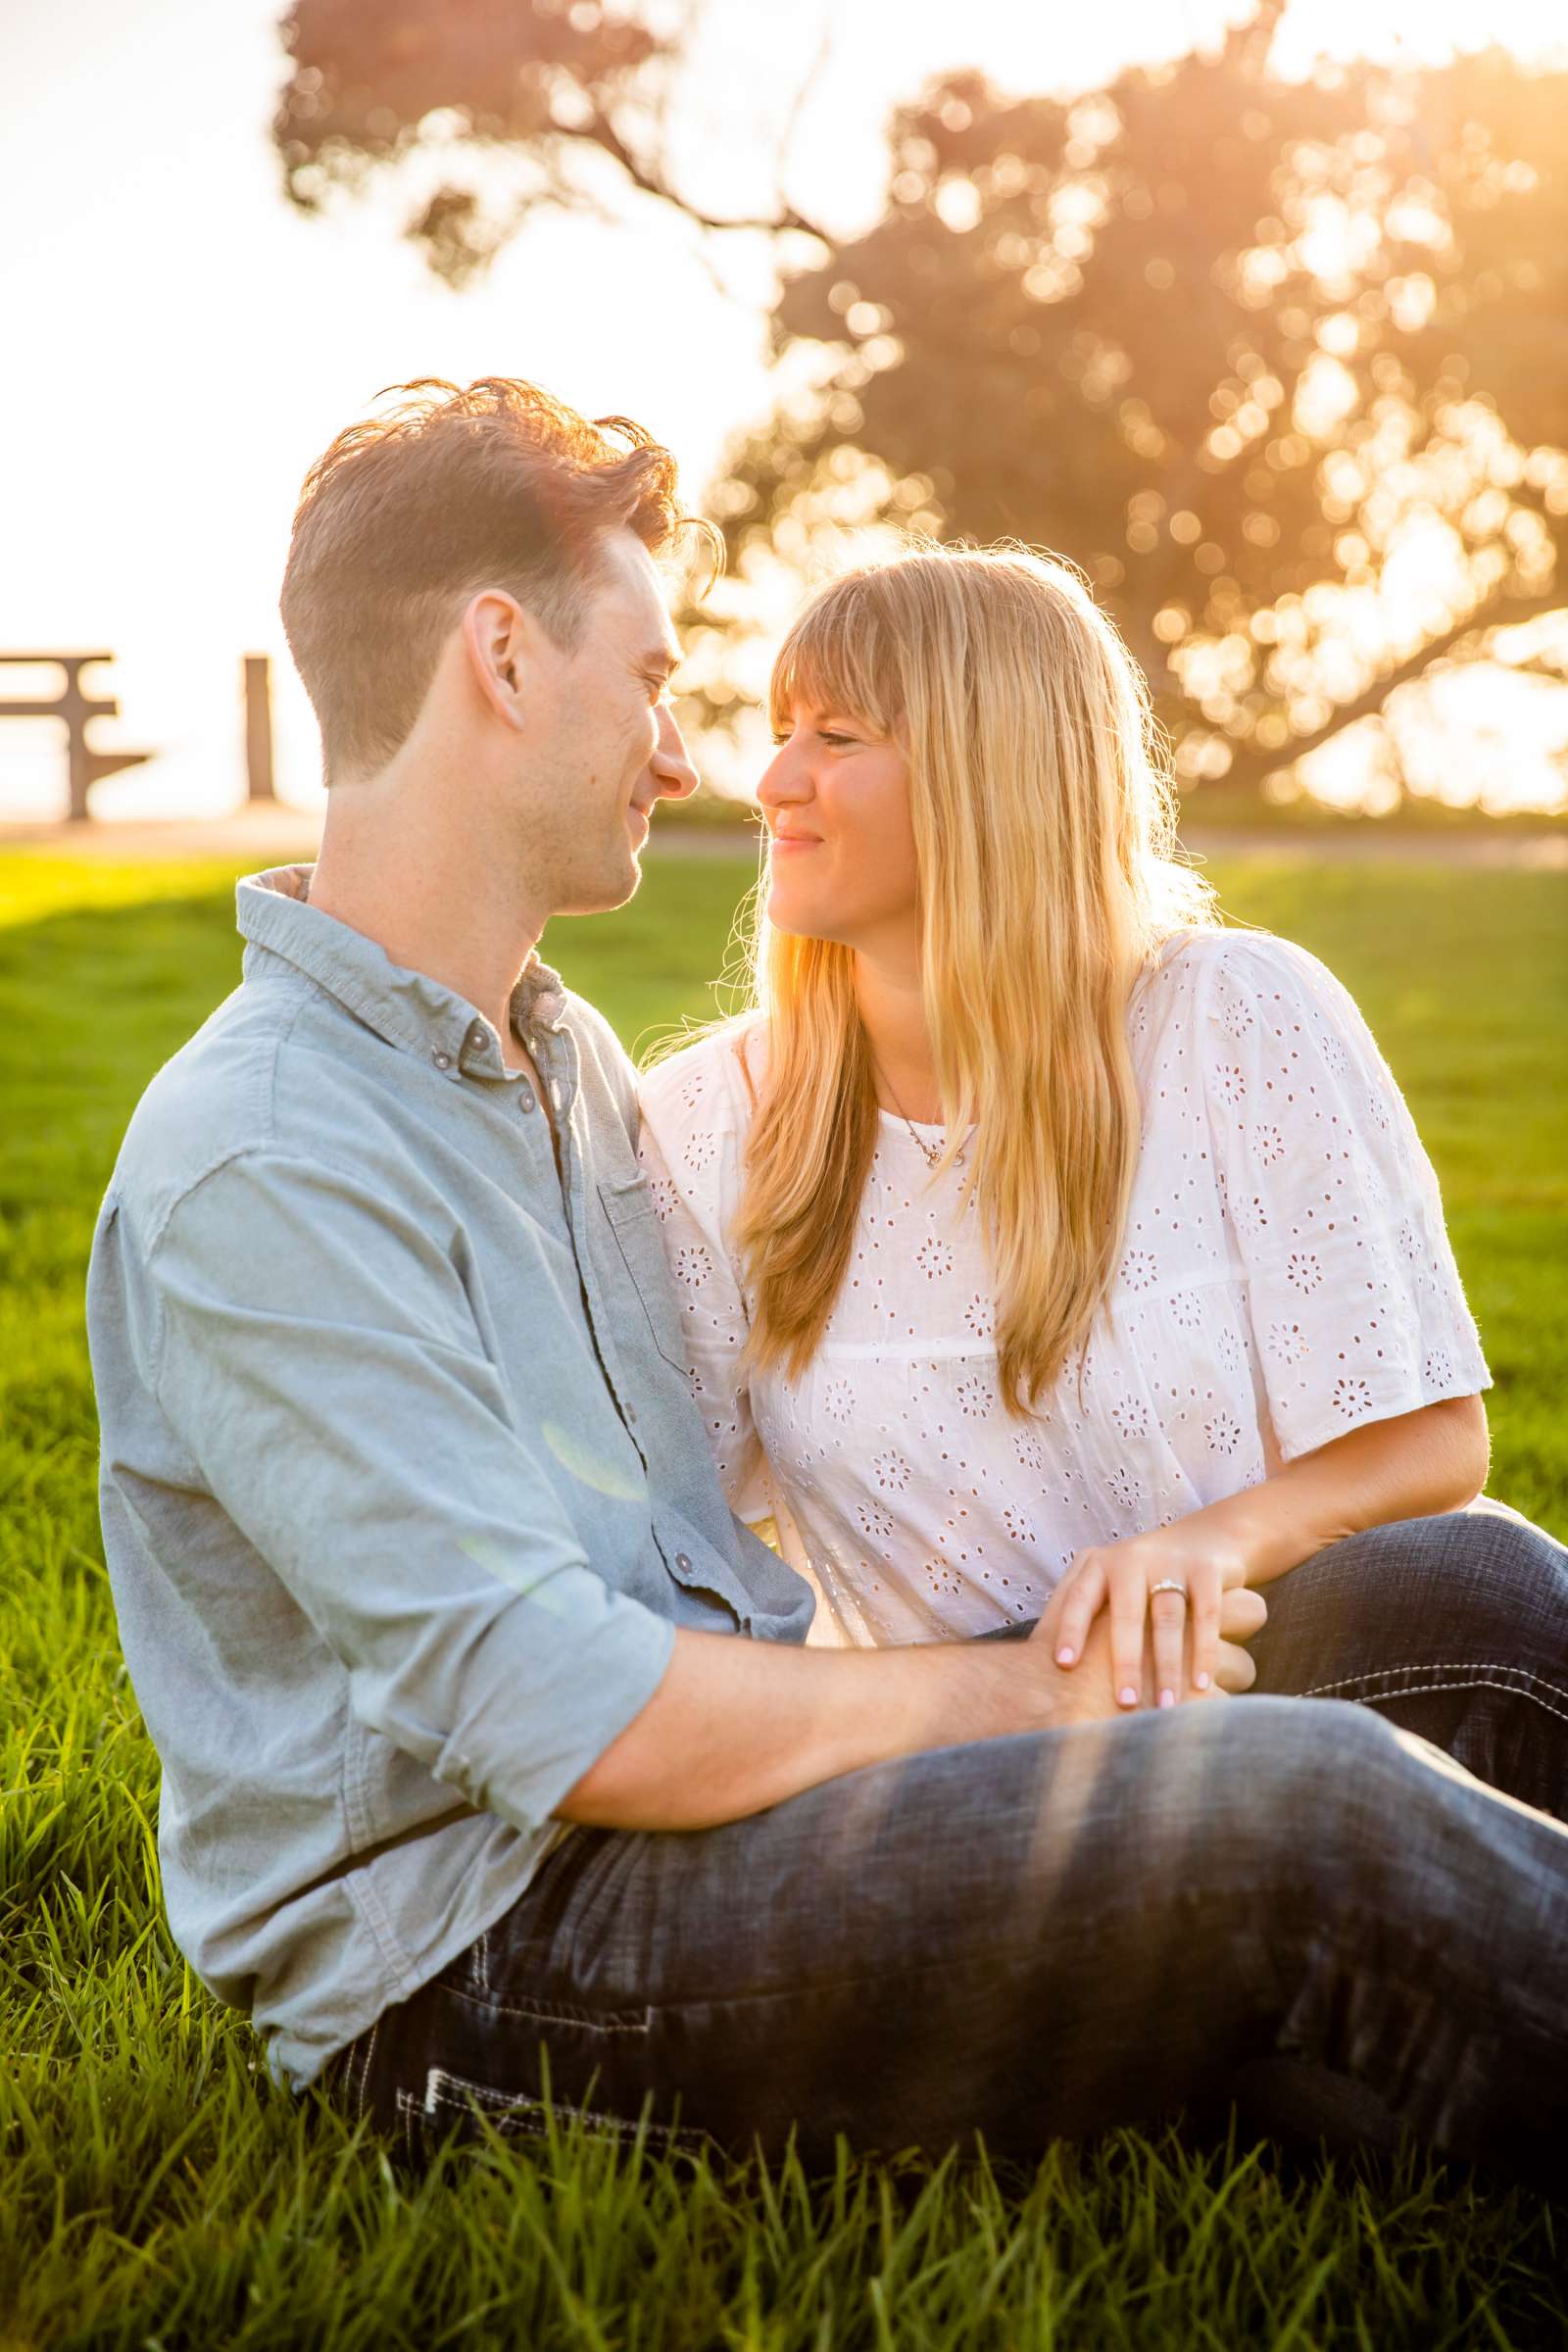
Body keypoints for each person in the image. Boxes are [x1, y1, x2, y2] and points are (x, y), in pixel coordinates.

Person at [86, 378, 1568, 2183]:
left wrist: (1050, 1685)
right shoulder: (273, 1152)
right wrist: (1032, 1696)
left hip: (718, 1819)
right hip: (492, 1967)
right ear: (500, 658)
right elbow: (569, 1719)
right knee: (1289, 1810)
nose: (695, 756)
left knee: (1461, 1592)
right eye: (652, 678)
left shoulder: (554, 1078)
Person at [633, 546, 1495, 1712]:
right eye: (784, 731)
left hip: (1280, 1665)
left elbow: (1431, 1439)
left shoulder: (1235, 1016)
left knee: (1475, 1575)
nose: (774, 778)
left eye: (835, 739)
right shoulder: (705, 1125)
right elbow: (664, 1548)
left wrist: (1207, 1547)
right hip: (985, 1757)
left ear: (989, 778)